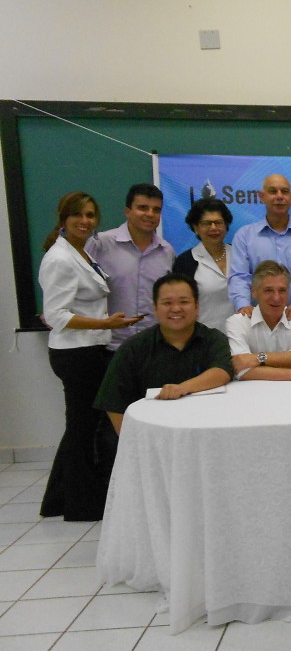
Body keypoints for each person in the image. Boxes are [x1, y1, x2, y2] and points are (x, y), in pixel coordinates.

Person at [38, 193, 143, 521]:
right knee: (84, 429)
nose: (85, 221)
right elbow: (55, 314)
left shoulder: (79, 253)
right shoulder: (59, 259)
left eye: (90, 215)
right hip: (76, 352)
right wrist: (107, 324)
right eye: (77, 215)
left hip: (88, 348)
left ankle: (56, 500)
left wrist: (110, 325)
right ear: (63, 218)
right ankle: (80, 506)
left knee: (80, 427)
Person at [95, 274, 233, 435]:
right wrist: (133, 443)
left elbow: (221, 372)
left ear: (196, 307)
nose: (176, 309)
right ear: (155, 308)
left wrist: (182, 388)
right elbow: (114, 403)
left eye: (184, 302)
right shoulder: (133, 348)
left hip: (204, 432)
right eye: (167, 303)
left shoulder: (214, 339)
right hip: (150, 435)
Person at [86, 183, 175, 350]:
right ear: (127, 211)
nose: (150, 214)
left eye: (156, 210)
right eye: (143, 208)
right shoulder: (101, 244)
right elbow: (78, 288)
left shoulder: (167, 251)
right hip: (108, 347)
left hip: (153, 348)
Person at [227, 173, 291, 320]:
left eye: (284, 192)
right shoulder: (244, 236)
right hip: (256, 318)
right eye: (273, 191)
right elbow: (239, 276)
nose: (279, 196)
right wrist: (243, 306)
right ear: (261, 196)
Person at [225, 261, 291, 381]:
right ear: (254, 291)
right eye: (268, 290)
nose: (276, 298)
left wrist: (259, 358)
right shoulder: (237, 322)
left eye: (282, 290)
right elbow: (241, 369)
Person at [172, 197, 234, 333]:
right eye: (207, 223)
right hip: (204, 340)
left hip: (242, 338)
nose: (214, 228)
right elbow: (181, 306)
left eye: (218, 222)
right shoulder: (185, 262)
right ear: (196, 227)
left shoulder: (241, 255)